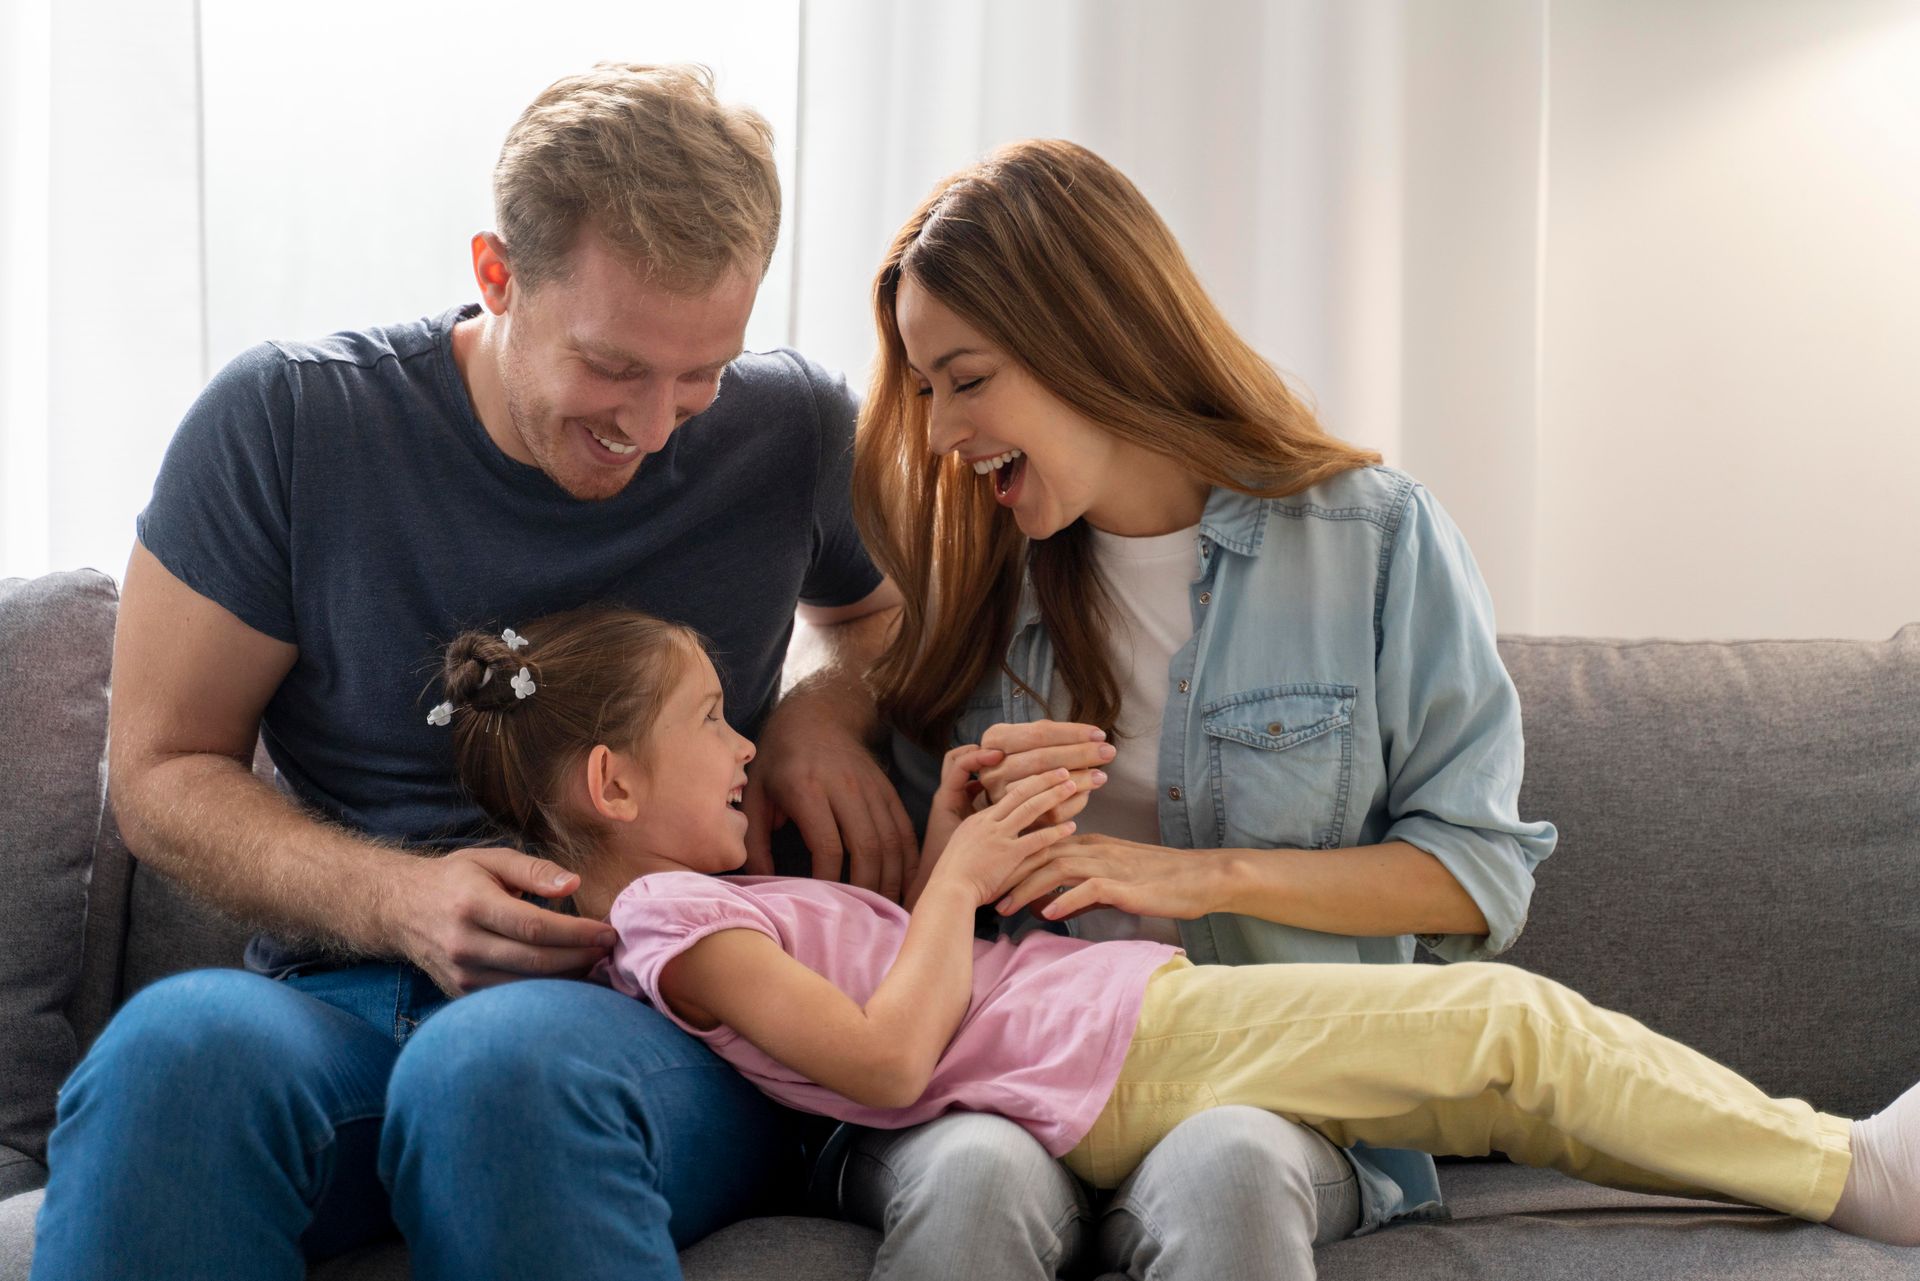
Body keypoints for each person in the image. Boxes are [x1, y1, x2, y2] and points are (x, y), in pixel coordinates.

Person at [30, 64, 913, 1281]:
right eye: (614, 367)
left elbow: (889, 622)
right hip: (336, 1005)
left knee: (493, 1069)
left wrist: (821, 708)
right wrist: (394, 899)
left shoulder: (791, 430)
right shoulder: (288, 427)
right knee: (170, 1051)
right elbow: (161, 772)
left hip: (651, 1017)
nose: (656, 426)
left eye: (701, 373)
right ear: (498, 275)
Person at [429, 606, 1920, 1265]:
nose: (746, 739)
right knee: (1506, 1027)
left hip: (1101, 1034)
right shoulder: (674, 923)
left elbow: (913, 987)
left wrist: (955, 833)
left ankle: (1793, 1163)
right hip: (1114, 1053)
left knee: (1497, 1077)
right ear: (613, 785)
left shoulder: (725, 904)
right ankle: (1845, 1168)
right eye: (709, 720)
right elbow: (889, 1064)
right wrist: (954, 890)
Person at [831, 135, 1559, 1275]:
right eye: (925, 390)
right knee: (971, 1179)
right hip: (1017, 1073)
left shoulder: (1373, 541)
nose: (938, 432)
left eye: (966, 381)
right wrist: (835, 738)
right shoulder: (975, 578)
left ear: (1092, 332)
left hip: (1271, 1081)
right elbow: (922, 916)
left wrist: (1193, 873)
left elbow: (1478, 875)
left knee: (1225, 1169)